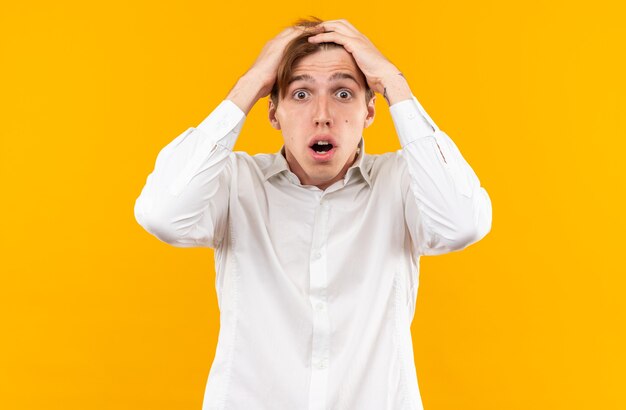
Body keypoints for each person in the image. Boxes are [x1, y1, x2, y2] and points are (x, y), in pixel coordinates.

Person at [134, 17, 492, 410]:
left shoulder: (402, 182)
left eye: (343, 93)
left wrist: (393, 81)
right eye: (301, 95)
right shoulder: (235, 182)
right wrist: (251, 81)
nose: (322, 114)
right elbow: (161, 214)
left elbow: (463, 223)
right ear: (274, 114)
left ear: (369, 111)